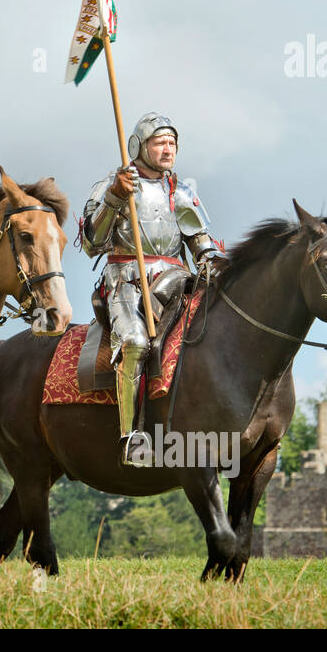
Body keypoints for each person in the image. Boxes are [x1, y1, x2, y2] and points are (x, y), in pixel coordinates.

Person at [81, 112, 224, 467]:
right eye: (160, 142)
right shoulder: (112, 184)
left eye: (172, 142)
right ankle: (132, 437)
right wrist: (115, 197)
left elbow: (200, 241)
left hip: (177, 281)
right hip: (127, 281)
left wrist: (213, 260)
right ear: (139, 147)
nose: (168, 149)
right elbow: (91, 243)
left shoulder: (182, 191)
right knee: (133, 343)